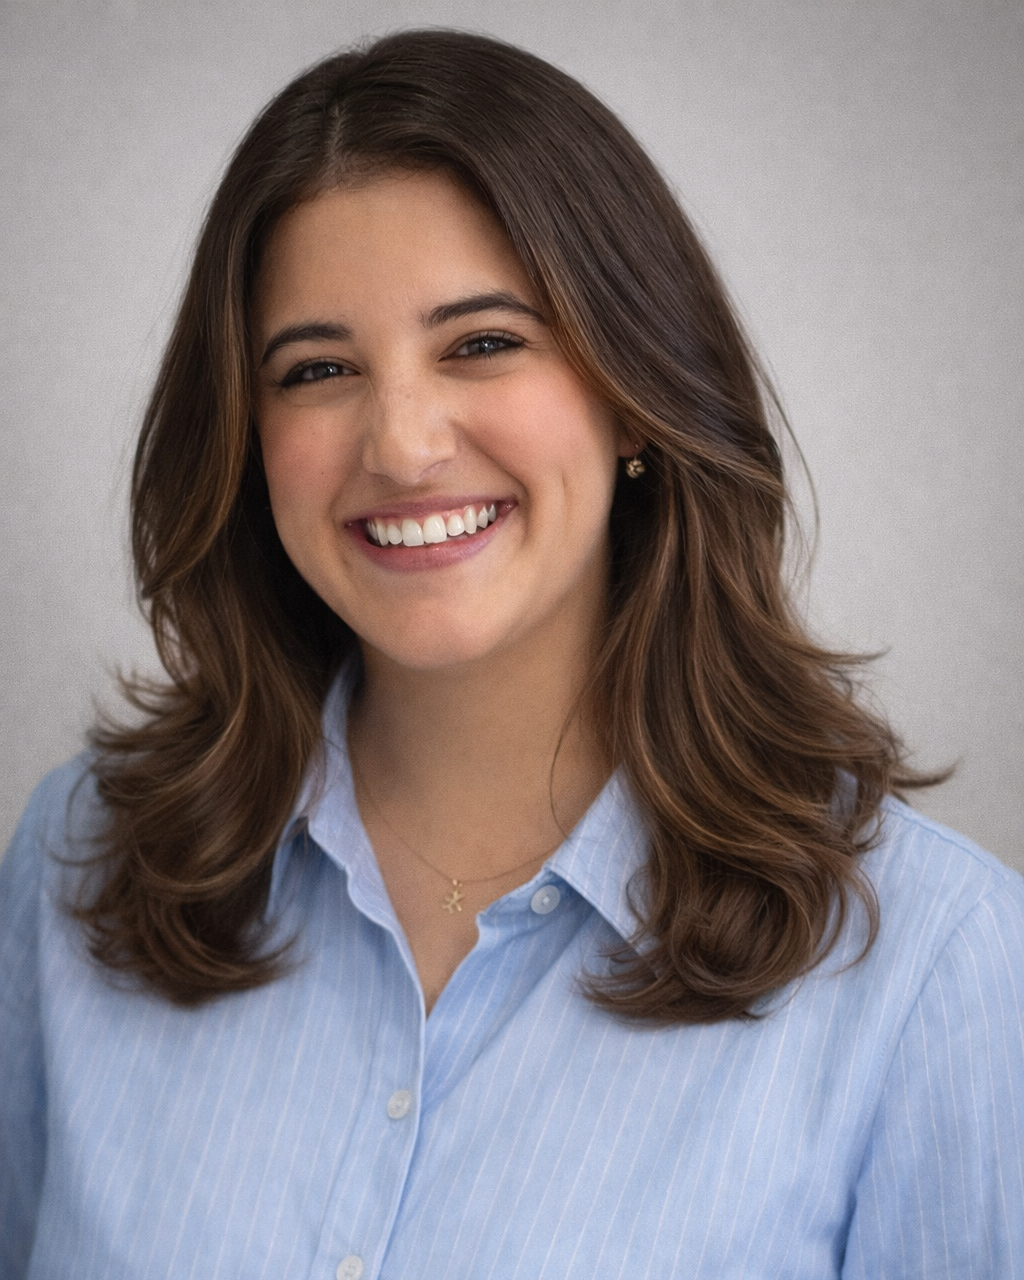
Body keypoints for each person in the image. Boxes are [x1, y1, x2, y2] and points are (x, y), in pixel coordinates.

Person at [1, 28, 1022, 1280]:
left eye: (482, 341)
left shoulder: (930, 962)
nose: (403, 442)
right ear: (246, 438)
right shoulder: (78, 863)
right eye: (317, 368)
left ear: (635, 391)